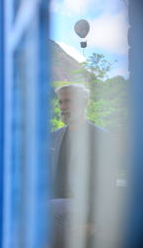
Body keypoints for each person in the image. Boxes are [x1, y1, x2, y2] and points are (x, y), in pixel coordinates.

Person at [50, 84, 109, 247]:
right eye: (60, 102)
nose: (62, 107)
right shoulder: (53, 137)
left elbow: (108, 185)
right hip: (55, 207)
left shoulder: (101, 137)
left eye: (68, 101)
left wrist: (95, 223)